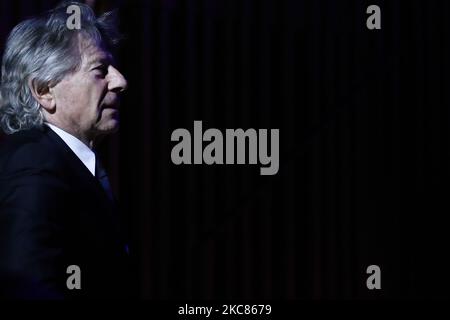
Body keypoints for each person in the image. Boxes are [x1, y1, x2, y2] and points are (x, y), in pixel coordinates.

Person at [0, 1, 131, 299]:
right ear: (45, 90)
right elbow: (26, 285)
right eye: (100, 70)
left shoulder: (61, 163)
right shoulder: (34, 162)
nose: (120, 81)